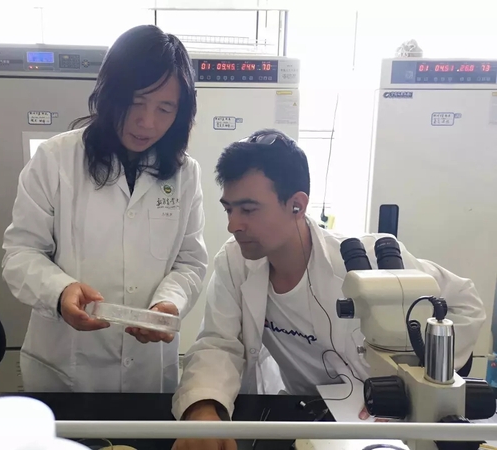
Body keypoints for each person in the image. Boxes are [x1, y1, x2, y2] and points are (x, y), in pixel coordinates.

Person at [171, 129, 485, 450]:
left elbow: (466, 303)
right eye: (229, 209)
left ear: (297, 205)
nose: (233, 225)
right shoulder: (235, 261)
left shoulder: (369, 259)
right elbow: (219, 342)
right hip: (306, 413)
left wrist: (419, 385)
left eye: (248, 210)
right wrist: (203, 409)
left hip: (383, 421)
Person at [2, 25, 208, 393]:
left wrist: (169, 303)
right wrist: (61, 291)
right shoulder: (56, 159)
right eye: (136, 102)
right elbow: (20, 254)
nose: (148, 122)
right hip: (64, 370)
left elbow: (190, 262)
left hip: (148, 372)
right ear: (110, 93)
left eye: (165, 108)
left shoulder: (185, 173)